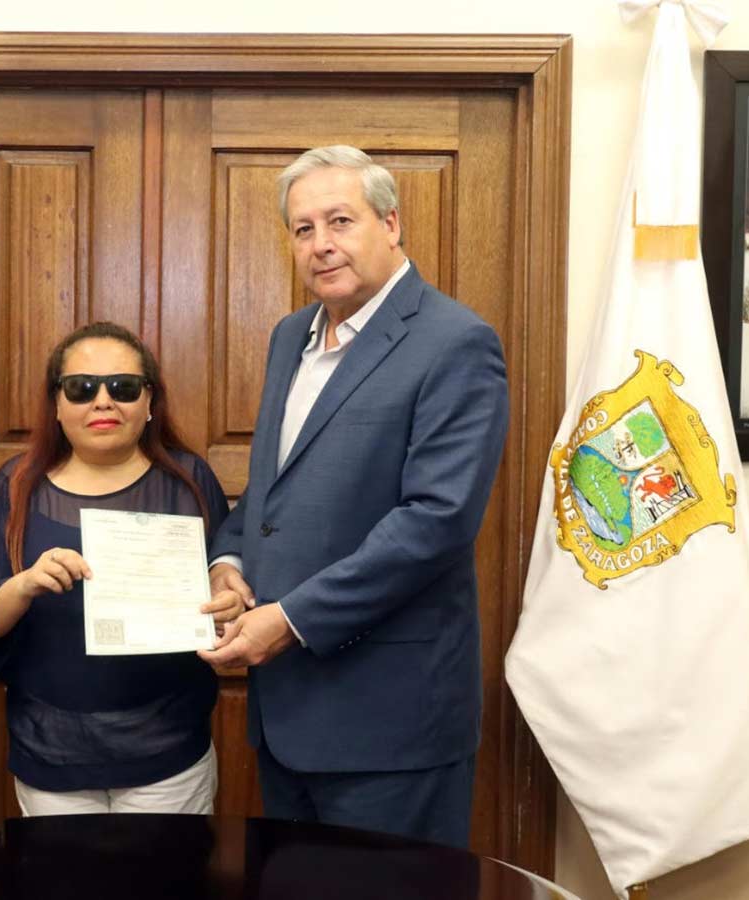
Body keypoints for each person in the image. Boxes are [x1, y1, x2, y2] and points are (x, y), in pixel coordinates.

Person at [201, 146, 509, 848]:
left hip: (390, 726)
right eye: (303, 228)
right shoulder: (290, 338)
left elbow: (436, 522)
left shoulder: (455, 342)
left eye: (340, 220)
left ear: (390, 224)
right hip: (285, 719)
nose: (321, 244)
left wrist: (291, 619)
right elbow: (272, 488)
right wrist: (229, 563)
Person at [0, 321, 241, 816]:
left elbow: (224, 587)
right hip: (50, 751)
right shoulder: (17, 485)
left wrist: (226, 604)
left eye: (123, 387)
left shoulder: (188, 479)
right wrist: (26, 584)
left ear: (149, 401)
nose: (103, 401)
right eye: (82, 388)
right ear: (57, 403)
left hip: (168, 748)